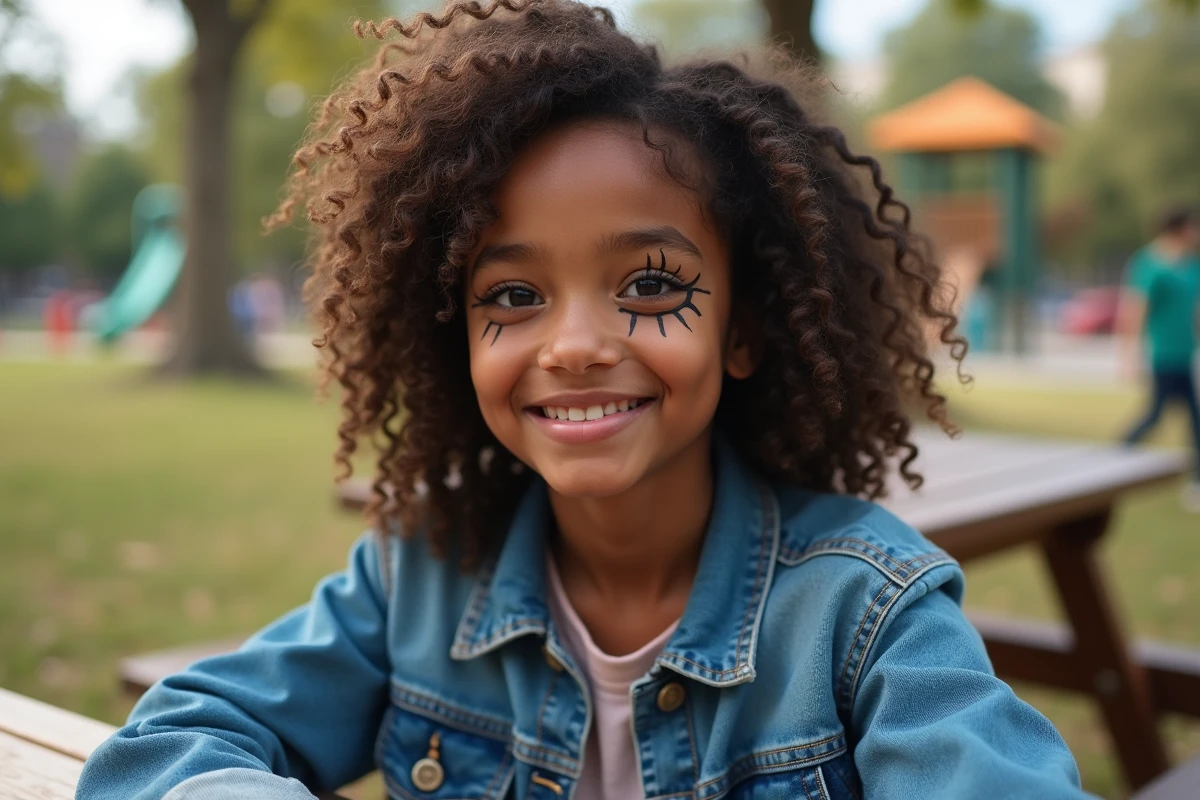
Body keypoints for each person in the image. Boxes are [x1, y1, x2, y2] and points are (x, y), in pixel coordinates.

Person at [76, 2, 1093, 798]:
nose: (571, 345)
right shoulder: (417, 578)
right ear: (458, 338)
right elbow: (171, 741)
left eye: (651, 284)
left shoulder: (868, 617)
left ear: (743, 327)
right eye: (512, 296)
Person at [1119, 207, 1200, 511]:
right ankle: (1115, 455)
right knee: (1156, 415)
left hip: (1186, 354)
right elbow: (1135, 310)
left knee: (1195, 419)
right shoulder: (1150, 263)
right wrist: (1128, 355)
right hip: (1162, 355)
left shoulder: (1192, 266)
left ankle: (1196, 483)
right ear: (1178, 228)